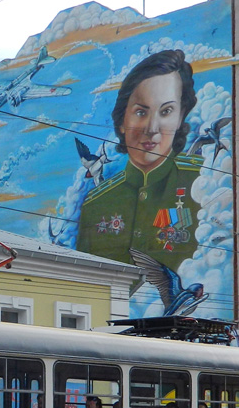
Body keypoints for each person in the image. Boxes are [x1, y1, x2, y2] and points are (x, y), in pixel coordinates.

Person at [76, 49, 202, 267]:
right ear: (122, 119)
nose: (152, 129)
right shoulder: (96, 204)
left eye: (166, 111)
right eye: (141, 112)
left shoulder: (202, 183)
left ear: (181, 117)